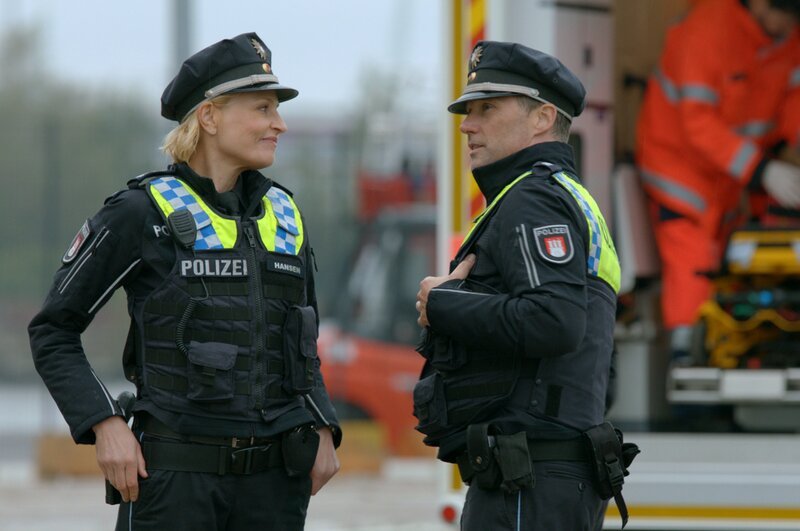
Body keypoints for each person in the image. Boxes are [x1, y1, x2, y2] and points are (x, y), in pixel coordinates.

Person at [29, 32, 341, 530]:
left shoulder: (286, 216)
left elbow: (302, 343)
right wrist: (103, 422)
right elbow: (53, 330)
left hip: (275, 487)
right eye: (262, 108)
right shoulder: (138, 214)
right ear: (210, 117)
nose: (278, 123)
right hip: (173, 482)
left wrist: (323, 422)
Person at [413, 41, 635, 530]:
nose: (468, 124)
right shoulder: (569, 196)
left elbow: (554, 321)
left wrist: (442, 304)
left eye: (487, 108)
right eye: (468, 111)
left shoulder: (533, 198)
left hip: (529, 478)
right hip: (556, 472)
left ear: (542, 118)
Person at [636, 0, 800, 363]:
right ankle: (687, 363)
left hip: (731, 175)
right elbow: (698, 123)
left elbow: (793, 105)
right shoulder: (707, 32)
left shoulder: (786, 37)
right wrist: (762, 170)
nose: (790, 25)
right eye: (787, 14)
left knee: (741, 265)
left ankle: (741, 353)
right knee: (693, 261)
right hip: (679, 170)